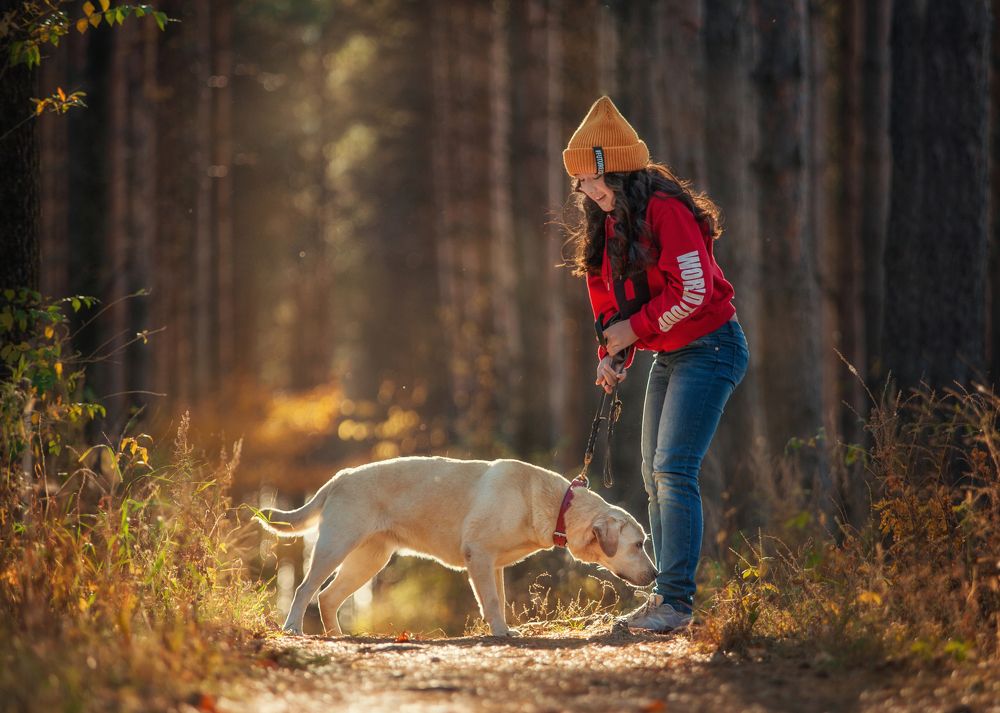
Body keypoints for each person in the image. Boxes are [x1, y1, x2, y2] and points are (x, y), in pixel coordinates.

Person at [562, 96, 749, 633]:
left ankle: (677, 604)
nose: (589, 193)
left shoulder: (666, 210)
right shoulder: (609, 222)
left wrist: (634, 332)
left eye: (595, 180)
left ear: (620, 170)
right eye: (581, 185)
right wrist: (612, 352)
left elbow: (693, 291)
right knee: (652, 473)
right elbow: (606, 297)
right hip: (670, 353)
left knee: (673, 469)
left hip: (711, 348)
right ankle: (666, 599)